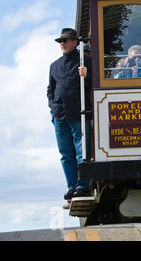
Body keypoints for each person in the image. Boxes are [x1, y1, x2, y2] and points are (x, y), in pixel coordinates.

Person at [47, 28, 92, 200]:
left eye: (65, 41)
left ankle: (82, 185)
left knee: (82, 151)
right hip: (60, 115)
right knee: (65, 153)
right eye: (60, 42)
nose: (62, 44)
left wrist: (87, 75)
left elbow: (94, 85)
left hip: (79, 113)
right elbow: (50, 89)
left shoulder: (85, 61)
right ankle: (72, 185)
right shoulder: (54, 66)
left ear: (75, 42)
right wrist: (52, 106)